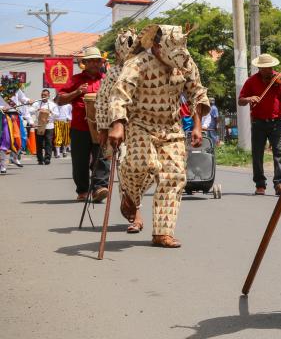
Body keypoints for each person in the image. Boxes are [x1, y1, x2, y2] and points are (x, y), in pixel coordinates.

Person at [108, 24, 210, 248]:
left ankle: (162, 233)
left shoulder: (184, 61)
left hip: (171, 127)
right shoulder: (137, 63)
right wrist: (117, 125)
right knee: (141, 163)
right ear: (156, 45)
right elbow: (119, 93)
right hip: (140, 123)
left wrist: (197, 126)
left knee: (173, 176)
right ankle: (130, 198)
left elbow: (197, 92)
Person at [56, 47, 110, 202]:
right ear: (84, 63)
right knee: (80, 160)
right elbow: (59, 100)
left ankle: (99, 188)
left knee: (102, 157)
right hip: (80, 127)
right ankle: (83, 191)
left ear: (101, 62)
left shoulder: (107, 79)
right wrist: (77, 92)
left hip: (102, 126)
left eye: (97, 60)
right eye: (90, 61)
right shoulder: (75, 80)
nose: (94, 63)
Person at [238, 53, 281, 196]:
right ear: (260, 68)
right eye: (266, 68)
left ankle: (280, 183)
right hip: (258, 123)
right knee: (257, 154)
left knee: (279, 152)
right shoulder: (251, 81)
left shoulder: (279, 80)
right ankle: (260, 184)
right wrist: (249, 98)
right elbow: (240, 100)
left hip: (277, 122)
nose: (270, 71)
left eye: (271, 67)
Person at [30, 89, 59, 165]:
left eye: (45, 95)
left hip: (49, 125)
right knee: (39, 143)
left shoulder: (53, 105)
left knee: (48, 142)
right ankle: (40, 159)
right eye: (42, 95)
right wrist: (37, 109)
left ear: (48, 96)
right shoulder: (37, 103)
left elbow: (57, 115)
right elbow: (30, 111)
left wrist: (51, 112)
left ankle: (47, 158)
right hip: (39, 126)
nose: (43, 96)